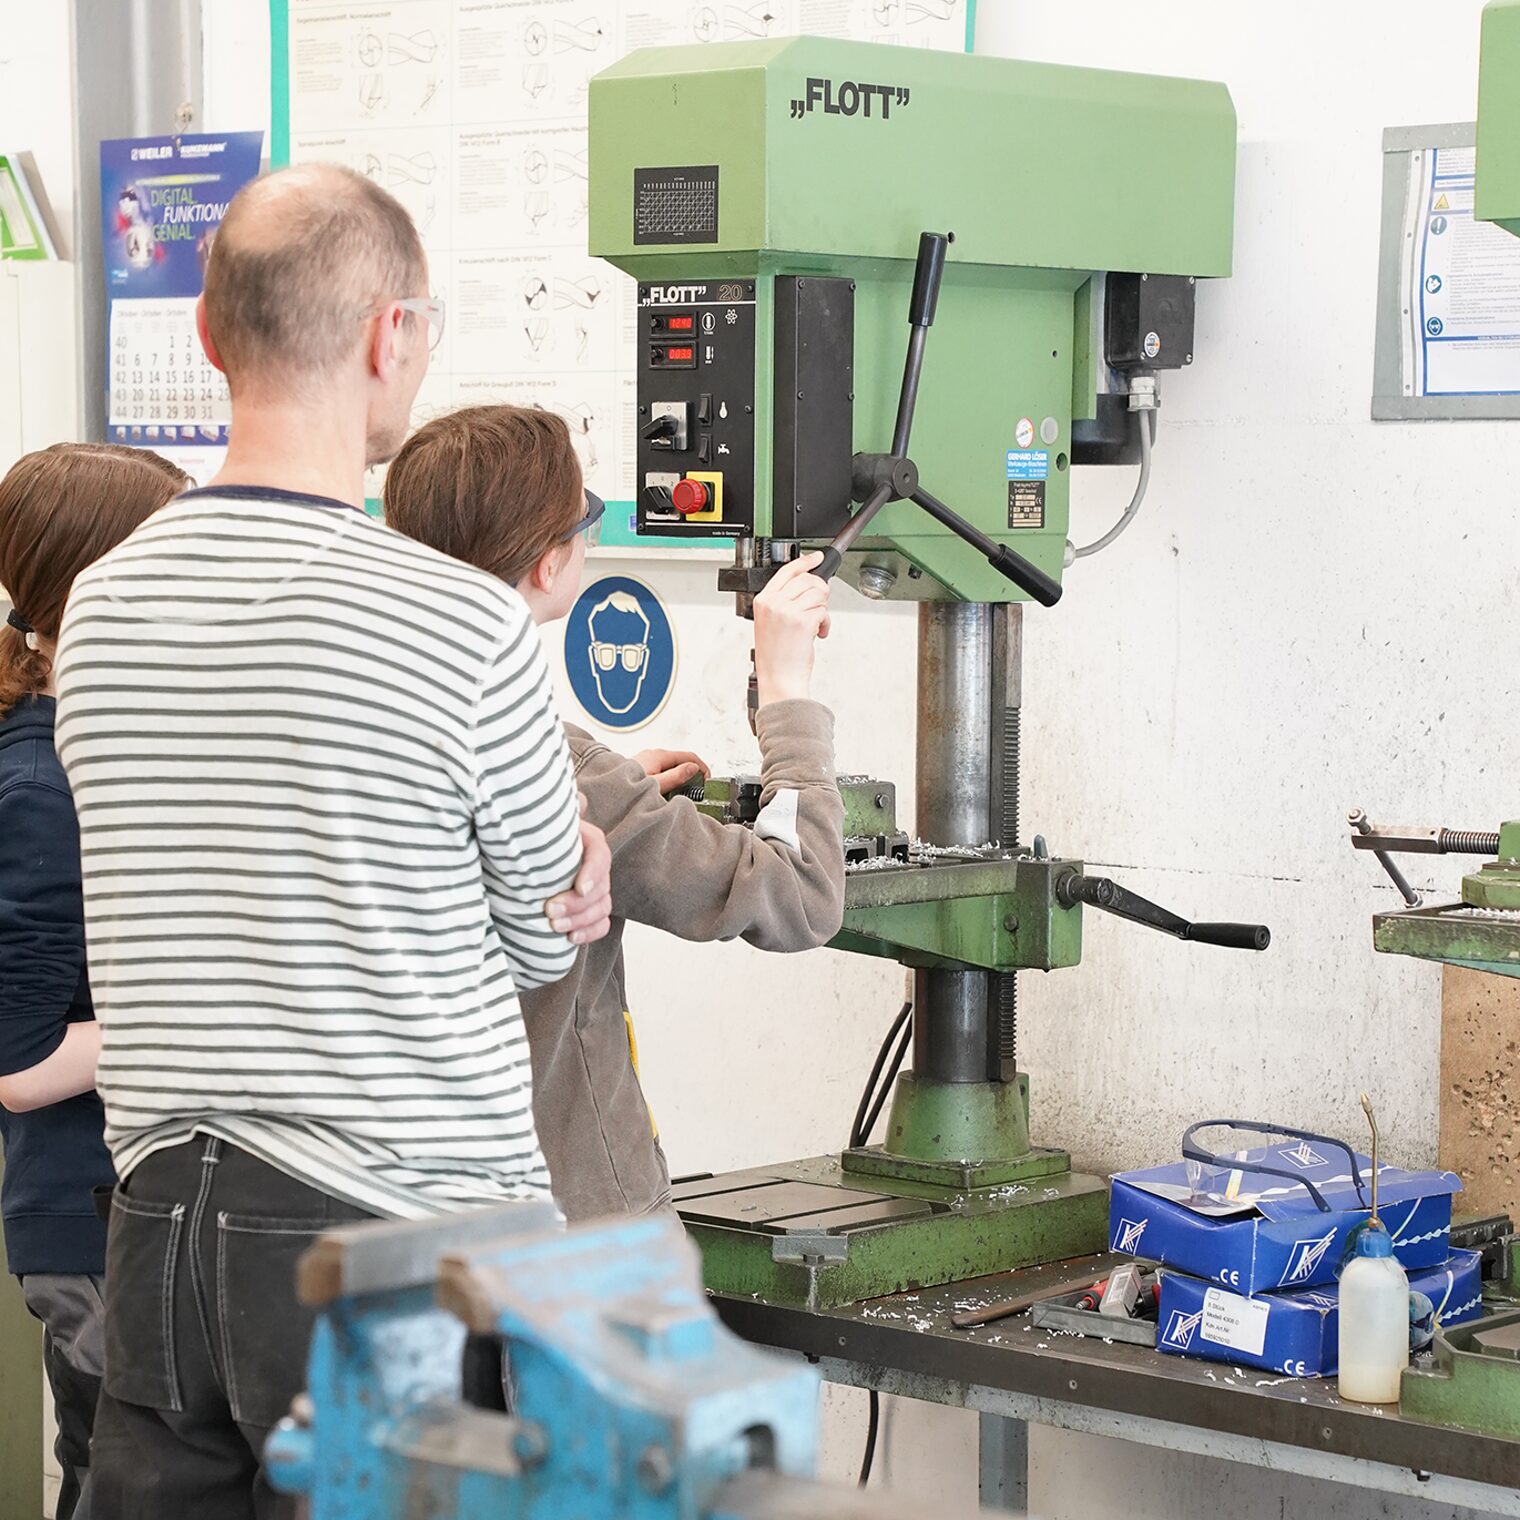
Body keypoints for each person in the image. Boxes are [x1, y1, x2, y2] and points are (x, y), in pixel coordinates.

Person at [52, 166, 612, 1520]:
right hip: (390, 1240)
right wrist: (564, 869)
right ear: (390, 336)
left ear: (206, 335)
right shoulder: (461, 622)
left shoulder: (101, 607)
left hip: (161, 1228)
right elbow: (543, 937)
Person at [384, 404, 844, 1221]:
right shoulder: (563, 775)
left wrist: (617, 785)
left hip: (392, 1209)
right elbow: (802, 894)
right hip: (569, 1223)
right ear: (548, 564)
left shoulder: (357, 724)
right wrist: (786, 692)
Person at [0, 442, 189, 1520]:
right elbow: (20, 1063)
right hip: (86, 1222)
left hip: (130, 1204)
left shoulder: (95, 737)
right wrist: (201, 1013)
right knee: (124, 1486)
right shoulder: (41, 784)